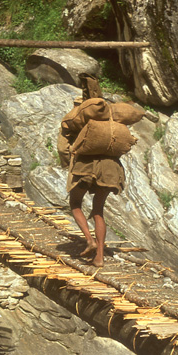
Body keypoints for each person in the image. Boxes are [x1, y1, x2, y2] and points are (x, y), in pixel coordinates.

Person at [59, 74, 125, 268]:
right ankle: (100, 257)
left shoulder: (74, 120)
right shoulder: (110, 121)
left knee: (75, 203)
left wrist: (68, 162)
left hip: (85, 165)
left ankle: (89, 239)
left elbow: (63, 148)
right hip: (111, 168)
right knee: (98, 211)